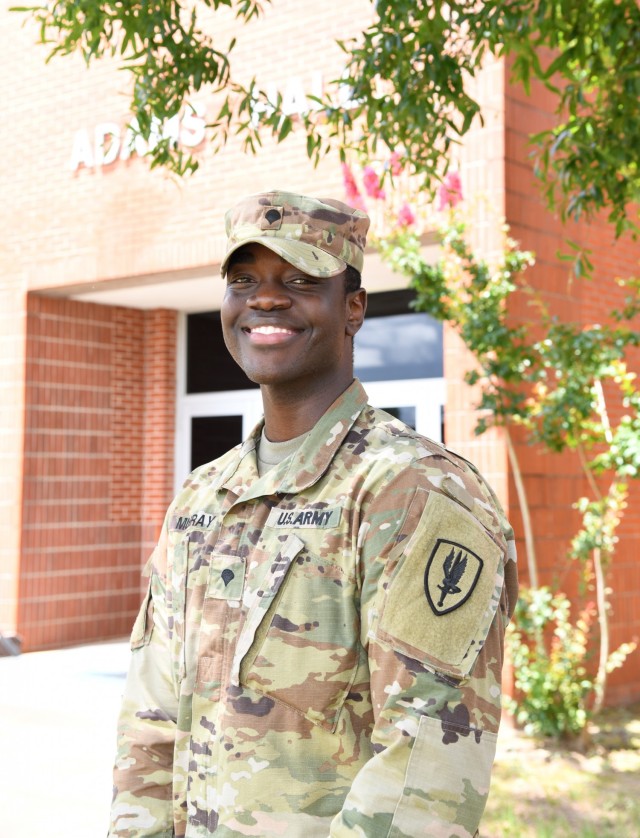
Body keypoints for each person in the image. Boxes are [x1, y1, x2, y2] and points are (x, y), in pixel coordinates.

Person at [108, 190, 518, 838]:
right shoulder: (201, 498)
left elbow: (422, 775)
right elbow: (150, 726)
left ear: (353, 306)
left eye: (299, 279)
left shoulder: (413, 493)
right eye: (244, 280)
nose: (265, 299)